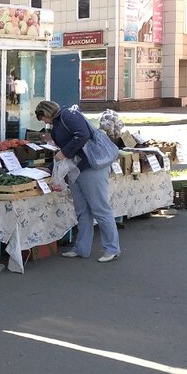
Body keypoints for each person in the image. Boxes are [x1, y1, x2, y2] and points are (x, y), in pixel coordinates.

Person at [34, 100, 120, 263]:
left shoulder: (68, 115)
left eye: (42, 118)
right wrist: (52, 166)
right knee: (82, 210)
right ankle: (81, 248)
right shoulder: (58, 122)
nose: (44, 122)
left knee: (100, 209)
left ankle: (112, 248)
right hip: (76, 169)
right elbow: (66, 148)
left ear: (46, 112)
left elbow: (83, 135)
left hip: (91, 167)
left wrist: (64, 152)